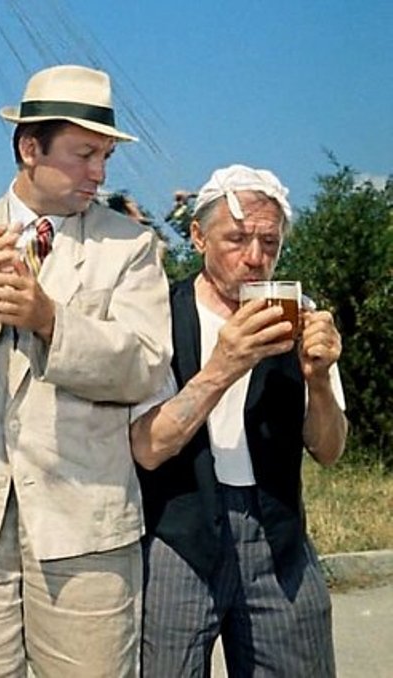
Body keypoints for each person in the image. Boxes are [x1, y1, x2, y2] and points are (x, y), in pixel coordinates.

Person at [0, 64, 172, 677]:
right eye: (84, 154)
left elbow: (144, 366)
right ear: (29, 148)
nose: (99, 172)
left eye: (105, 156)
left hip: (87, 529)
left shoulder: (130, 246)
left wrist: (50, 320)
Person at [130, 164, 347, 676]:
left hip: (277, 531)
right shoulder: (158, 312)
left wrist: (318, 380)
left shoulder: (300, 313)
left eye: (269, 243)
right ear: (198, 236)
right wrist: (224, 365)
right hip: (179, 533)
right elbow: (148, 448)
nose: (255, 258)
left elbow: (329, 450)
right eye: (237, 239)